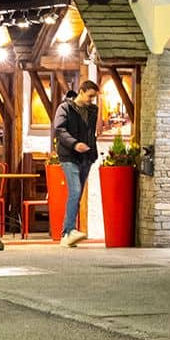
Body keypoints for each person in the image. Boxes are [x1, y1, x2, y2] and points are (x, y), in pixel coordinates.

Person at [53, 79, 100, 247]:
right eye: (90, 96)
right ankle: (68, 232)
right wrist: (74, 144)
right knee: (75, 190)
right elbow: (59, 130)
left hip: (86, 157)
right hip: (69, 156)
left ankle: (67, 234)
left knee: (77, 195)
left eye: (94, 97)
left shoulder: (93, 110)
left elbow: (90, 132)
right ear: (81, 91)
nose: (91, 100)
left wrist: (92, 153)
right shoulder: (64, 108)